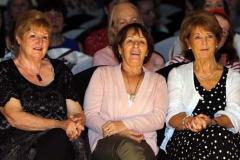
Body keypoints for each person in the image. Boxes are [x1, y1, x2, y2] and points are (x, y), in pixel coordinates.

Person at [0, 9, 88, 159]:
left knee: (67, 141)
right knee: (60, 138)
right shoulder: (5, 71)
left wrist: (77, 122)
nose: (40, 42)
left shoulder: (61, 69)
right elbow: (14, 117)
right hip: (21, 143)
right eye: (33, 36)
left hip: (63, 139)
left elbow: (76, 111)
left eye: (45, 37)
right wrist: (58, 125)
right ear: (19, 38)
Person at [160, 10, 240, 159]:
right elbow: (173, 115)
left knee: (220, 138)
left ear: (217, 41)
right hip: (185, 138)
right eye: (197, 37)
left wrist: (211, 122)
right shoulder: (177, 74)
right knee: (221, 141)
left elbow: (235, 116)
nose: (204, 42)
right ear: (188, 42)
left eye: (209, 36)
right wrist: (191, 122)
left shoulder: (234, 77)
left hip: (223, 138)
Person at [84, 23, 168, 160]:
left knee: (136, 151)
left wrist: (123, 125)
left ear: (147, 51)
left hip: (144, 141)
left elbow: (158, 119)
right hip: (106, 140)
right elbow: (89, 114)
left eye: (141, 42)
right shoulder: (102, 74)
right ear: (120, 48)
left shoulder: (158, 80)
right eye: (130, 41)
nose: (136, 45)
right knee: (128, 148)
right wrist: (118, 131)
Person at [93, 2, 165, 72]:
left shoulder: (155, 60)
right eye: (122, 22)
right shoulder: (103, 58)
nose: (129, 27)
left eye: (134, 21)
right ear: (113, 30)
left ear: (141, 27)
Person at [170, 9, 240, 71]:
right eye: (198, 37)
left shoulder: (231, 66)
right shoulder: (178, 64)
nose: (219, 35)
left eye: (223, 32)